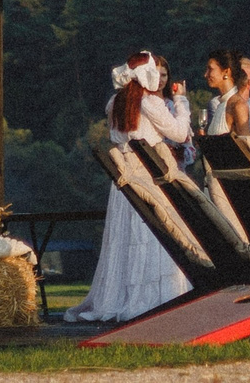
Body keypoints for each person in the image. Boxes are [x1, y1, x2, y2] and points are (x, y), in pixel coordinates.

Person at [66, 51, 193, 322]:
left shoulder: (116, 102)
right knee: (157, 235)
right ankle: (160, 295)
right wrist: (181, 101)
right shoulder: (150, 103)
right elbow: (180, 133)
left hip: (125, 181)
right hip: (149, 178)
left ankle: (121, 293)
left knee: (125, 241)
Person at [202, 49, 250, 151]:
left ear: (226, 72)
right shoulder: (218, 104)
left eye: (210, 69)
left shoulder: (239, 105)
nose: (205, 75)